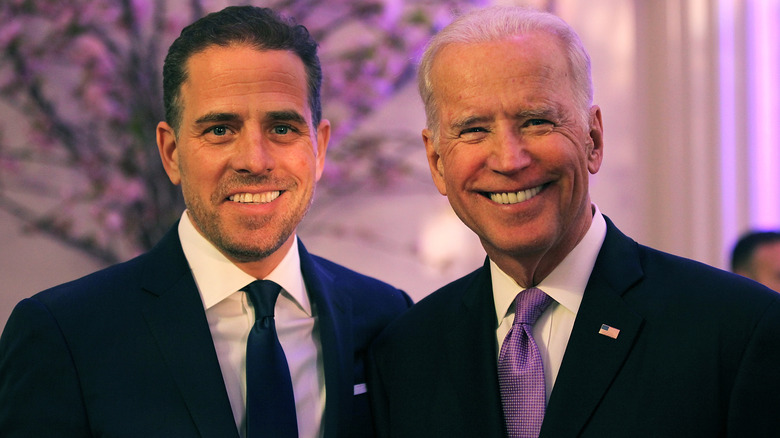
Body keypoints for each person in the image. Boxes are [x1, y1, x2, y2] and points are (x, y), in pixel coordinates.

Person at [367, 6, 780, 438]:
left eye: (536, 121)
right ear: (436, 162)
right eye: (473, 129)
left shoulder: (737, 330)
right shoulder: (405, 353)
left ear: (593, 139)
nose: (509, 159)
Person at [0, 6, 411, 438]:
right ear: (172, 152)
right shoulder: (63, 335)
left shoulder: (386, 317)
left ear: (320, 147)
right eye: (219, 130)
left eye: (283, 128)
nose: (255, 160)